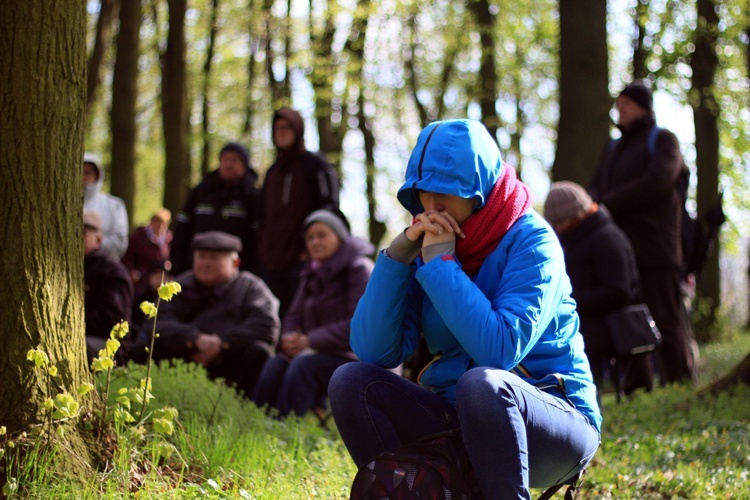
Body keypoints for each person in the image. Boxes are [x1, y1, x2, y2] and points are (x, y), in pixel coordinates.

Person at [328, 119, 601, 498]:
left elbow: (498, 351)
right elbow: (374, 351)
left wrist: (441, 265)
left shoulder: (534, 242)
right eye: (423, 192)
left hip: (553, 420)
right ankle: (409, 490)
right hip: (458, 415)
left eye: (446, 193)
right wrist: (395, 260)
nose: (431, 206)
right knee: (351, 382)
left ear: (481, 193)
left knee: (482, 384)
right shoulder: (425, 249)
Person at [588, 80, 697, 385]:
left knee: (666, 318)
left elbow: (658, 181)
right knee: (628, 320)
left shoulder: (664, 140)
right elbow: (595, 186)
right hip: (620, 251)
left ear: (642, 107)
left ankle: (679, 380)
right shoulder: (613, 148)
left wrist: (608, 203)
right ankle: (638, 386)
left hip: (658, 249)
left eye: (626, 104)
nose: (619, 110)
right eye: (618, 104)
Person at [252, 209, 374, 418]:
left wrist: (310, 341)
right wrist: (290, 338)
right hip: (319, 350)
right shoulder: (312, 271)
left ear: (340, 237)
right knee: (276, 362)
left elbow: (359, 324)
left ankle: (283, 430)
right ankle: (253, 422)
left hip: (356, 359)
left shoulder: (359, 268)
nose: (315, 242)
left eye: (322, 235)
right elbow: (293, 316)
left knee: (304, 365)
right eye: (309, 238)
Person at [544, 181, 652, 398]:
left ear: (576, 216)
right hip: (589, 320)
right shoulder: (582, 236)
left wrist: (568, 301)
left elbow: (619, 292)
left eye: (560, 222)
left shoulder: (606, 238)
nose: (557, 229)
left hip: (605, 327)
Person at [154, 231, 280, 397]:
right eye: (201, 257)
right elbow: (158, 322)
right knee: (146, 347)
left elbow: (266, 325)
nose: (206, 263)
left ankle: (242, 408)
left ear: (235, 262)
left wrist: (222, 344)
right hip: (186, 357)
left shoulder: (251, 287)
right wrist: (194, 340)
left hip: (231, 361)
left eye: (213, 258)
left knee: (260, 351)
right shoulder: (180, 286)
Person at [257, 108, 340, 318]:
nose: (280, 133)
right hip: (271, 260)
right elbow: (262, 215)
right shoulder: (273, 172)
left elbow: (328, 208)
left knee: (301, 314)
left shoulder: (315, 166)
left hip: (303, 258)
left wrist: (309, 247)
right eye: (276, 129)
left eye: (286, 128)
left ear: (297, 130)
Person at [171, 142, 260, 276]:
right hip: (195, 270)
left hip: (236, 275)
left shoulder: (253, 196)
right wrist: (177, 265)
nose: (229, 164)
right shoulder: (201, 191)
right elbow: (182, 229)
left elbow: (258, 237)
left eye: (234, 160)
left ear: (244, 165)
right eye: (225, 159)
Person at [83, 210, 133, 364]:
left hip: (106, 343)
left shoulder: (112, 273)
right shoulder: (66, 267)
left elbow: (111, 320)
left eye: (82, 235)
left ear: (98, 240)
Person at [83, 153, 129, 259]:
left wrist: (91, 244)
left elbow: (119, 241)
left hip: (102, 268)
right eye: (79, 172)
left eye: (87, 172)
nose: (83, 176)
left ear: (97, 175)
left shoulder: (114, 205)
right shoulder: (62, 206)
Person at [121, 208, 172, 295]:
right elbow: (127, 257)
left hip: (160, 282)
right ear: (152, 222)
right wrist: (132, 271)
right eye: (157, 223)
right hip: (141, 280)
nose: (160, 227)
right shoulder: (138, 237)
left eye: (163, 224)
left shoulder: (169, 239)